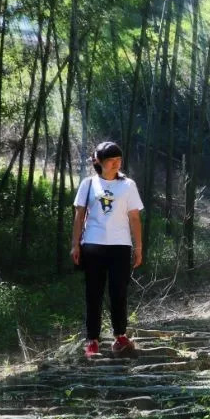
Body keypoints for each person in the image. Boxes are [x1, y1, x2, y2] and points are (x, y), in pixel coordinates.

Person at [71, 141, 144, 359]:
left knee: (118, 292)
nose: (116, 164)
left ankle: (120, 336)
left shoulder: (128, 185)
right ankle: (92, 340)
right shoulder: (88, 184)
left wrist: (138, 246)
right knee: (93, 292)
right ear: (99, 162)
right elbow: (79, 215)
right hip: (93, 244)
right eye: (111, 160)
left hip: (120, 245)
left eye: (118, 160)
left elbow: (134, 217)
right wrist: (75, 244)